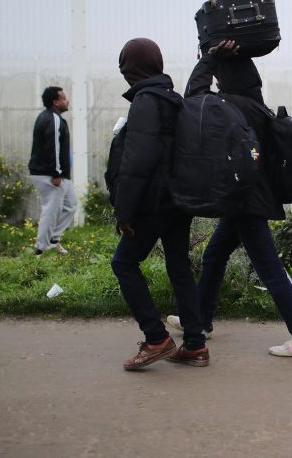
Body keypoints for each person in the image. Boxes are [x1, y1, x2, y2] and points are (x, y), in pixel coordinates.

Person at [167, 40, 292, 358]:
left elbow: (193, 98)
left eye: (221, 77)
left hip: (246, 202)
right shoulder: (255, 105)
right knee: (214, 255)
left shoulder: (229, 106)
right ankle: (202, 319)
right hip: (246, 199)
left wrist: (209, 59)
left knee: (268, 266)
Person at [108, 38, 208, 370]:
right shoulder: (172, 99)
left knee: (123, 263)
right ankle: (195, 345)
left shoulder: (145, 102)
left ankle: (156, 338)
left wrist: (124, 211)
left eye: (124, 66)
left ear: (130, 68)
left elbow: (137, 162)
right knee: (179, 266)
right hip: (177, 201)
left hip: (153, 202)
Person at [28, 86, 78, 255]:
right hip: (50, 174)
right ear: (55, 102)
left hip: (55, 173)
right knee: (51, 210)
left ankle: (53, 239)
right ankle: (41, 249)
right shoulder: (53, 119)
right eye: (64, 98)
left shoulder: (50, 117)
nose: (67, 101)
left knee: (71, 204)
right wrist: (55, 173)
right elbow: (53, 148)